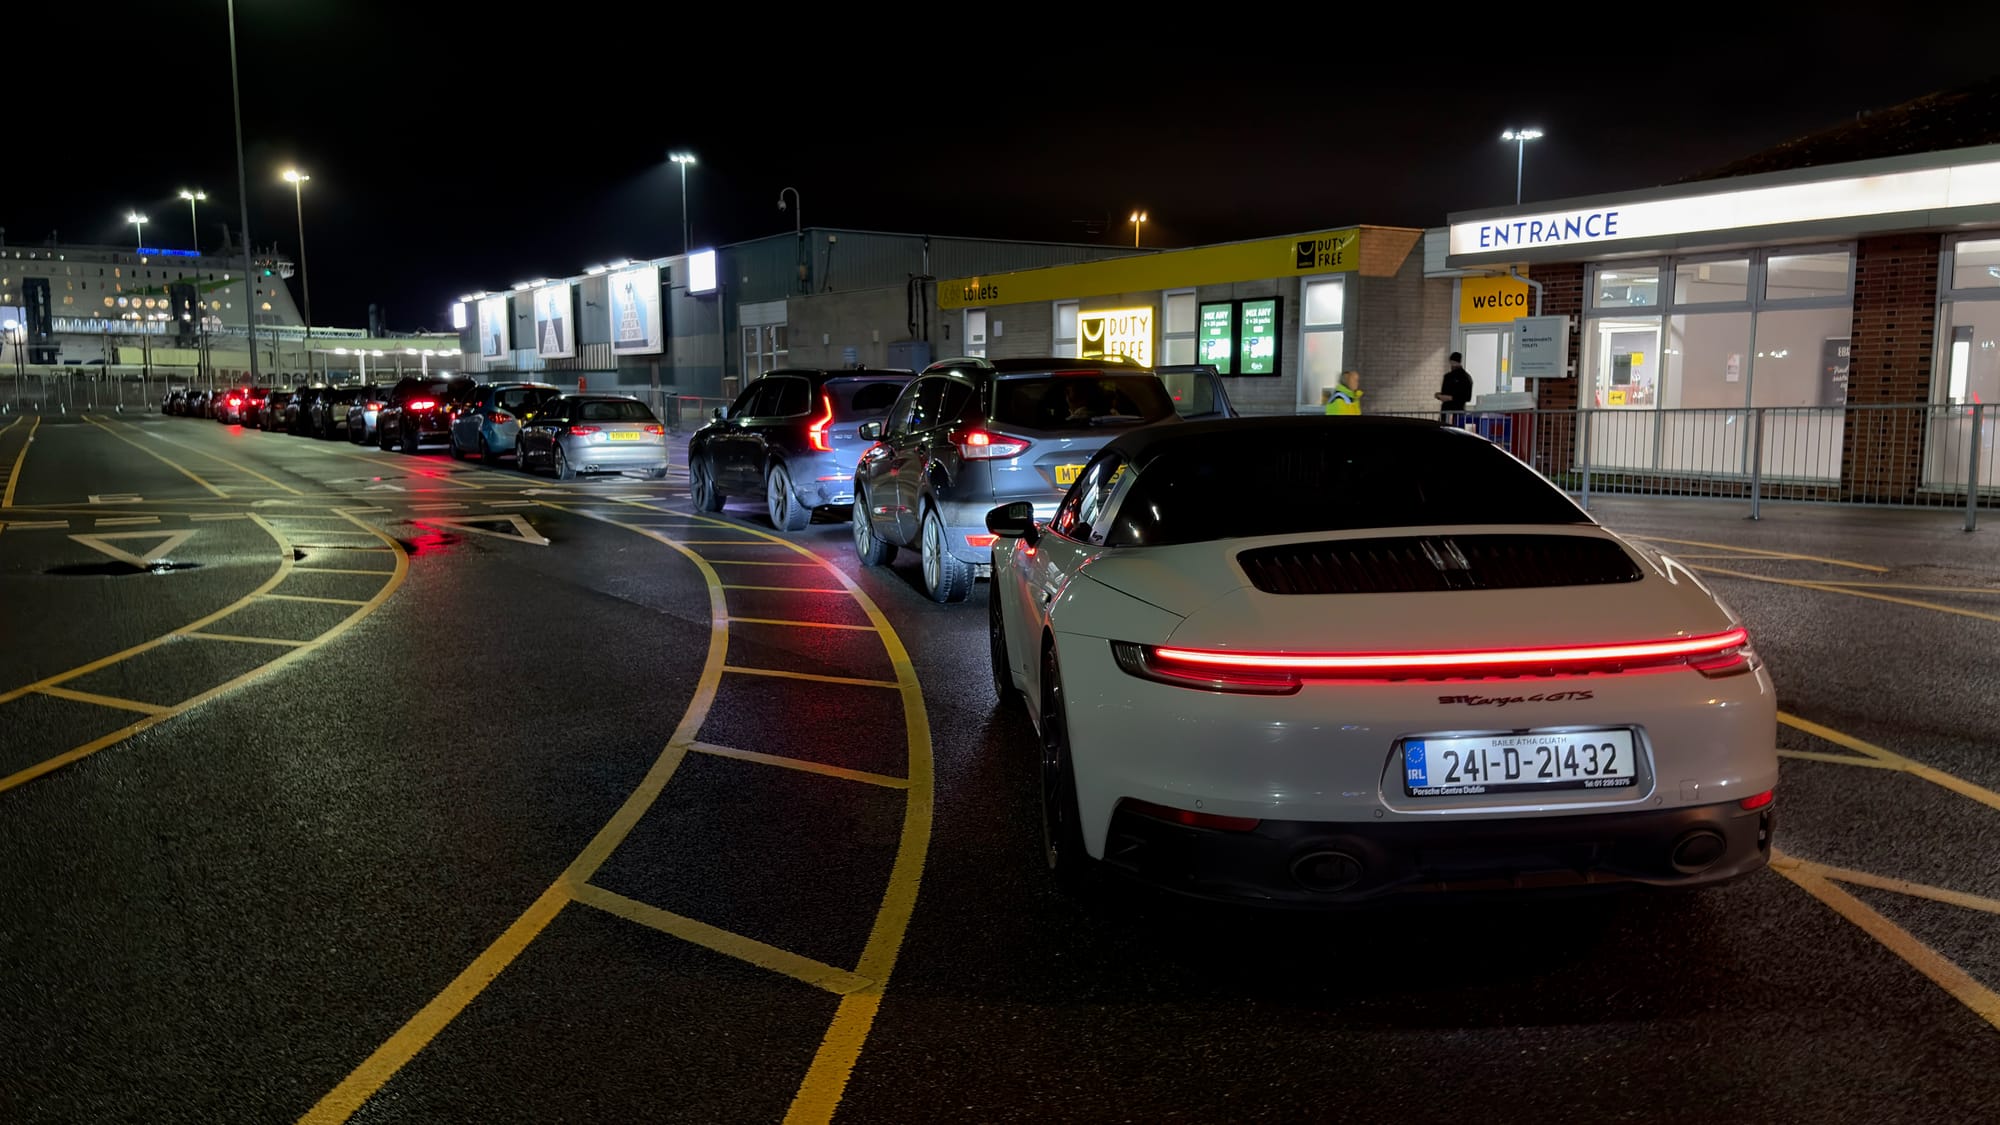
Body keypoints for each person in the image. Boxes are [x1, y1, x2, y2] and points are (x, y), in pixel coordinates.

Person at [1436, 352, 1473, 422]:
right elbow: (1467, 397)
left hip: (1450, 411)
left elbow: (1467, 397)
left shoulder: (1450, 377)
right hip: (1457, 410)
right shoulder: (1466, 377)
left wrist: (1449, 397)